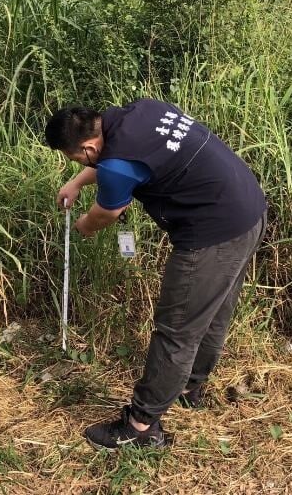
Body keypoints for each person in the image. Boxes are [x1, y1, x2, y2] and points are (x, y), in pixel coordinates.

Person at [45, 98, 267, 450]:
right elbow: (115, 158)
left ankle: (141, 426)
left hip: (212, 231)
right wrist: (78, 181)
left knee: (177, 329)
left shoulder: (117, 166)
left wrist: (84, 227)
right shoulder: (139, 111)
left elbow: (106, 213)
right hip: (247, 209)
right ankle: (189, 386)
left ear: (88, 147)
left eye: (75, 159)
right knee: (211, 312)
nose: (79, 164)